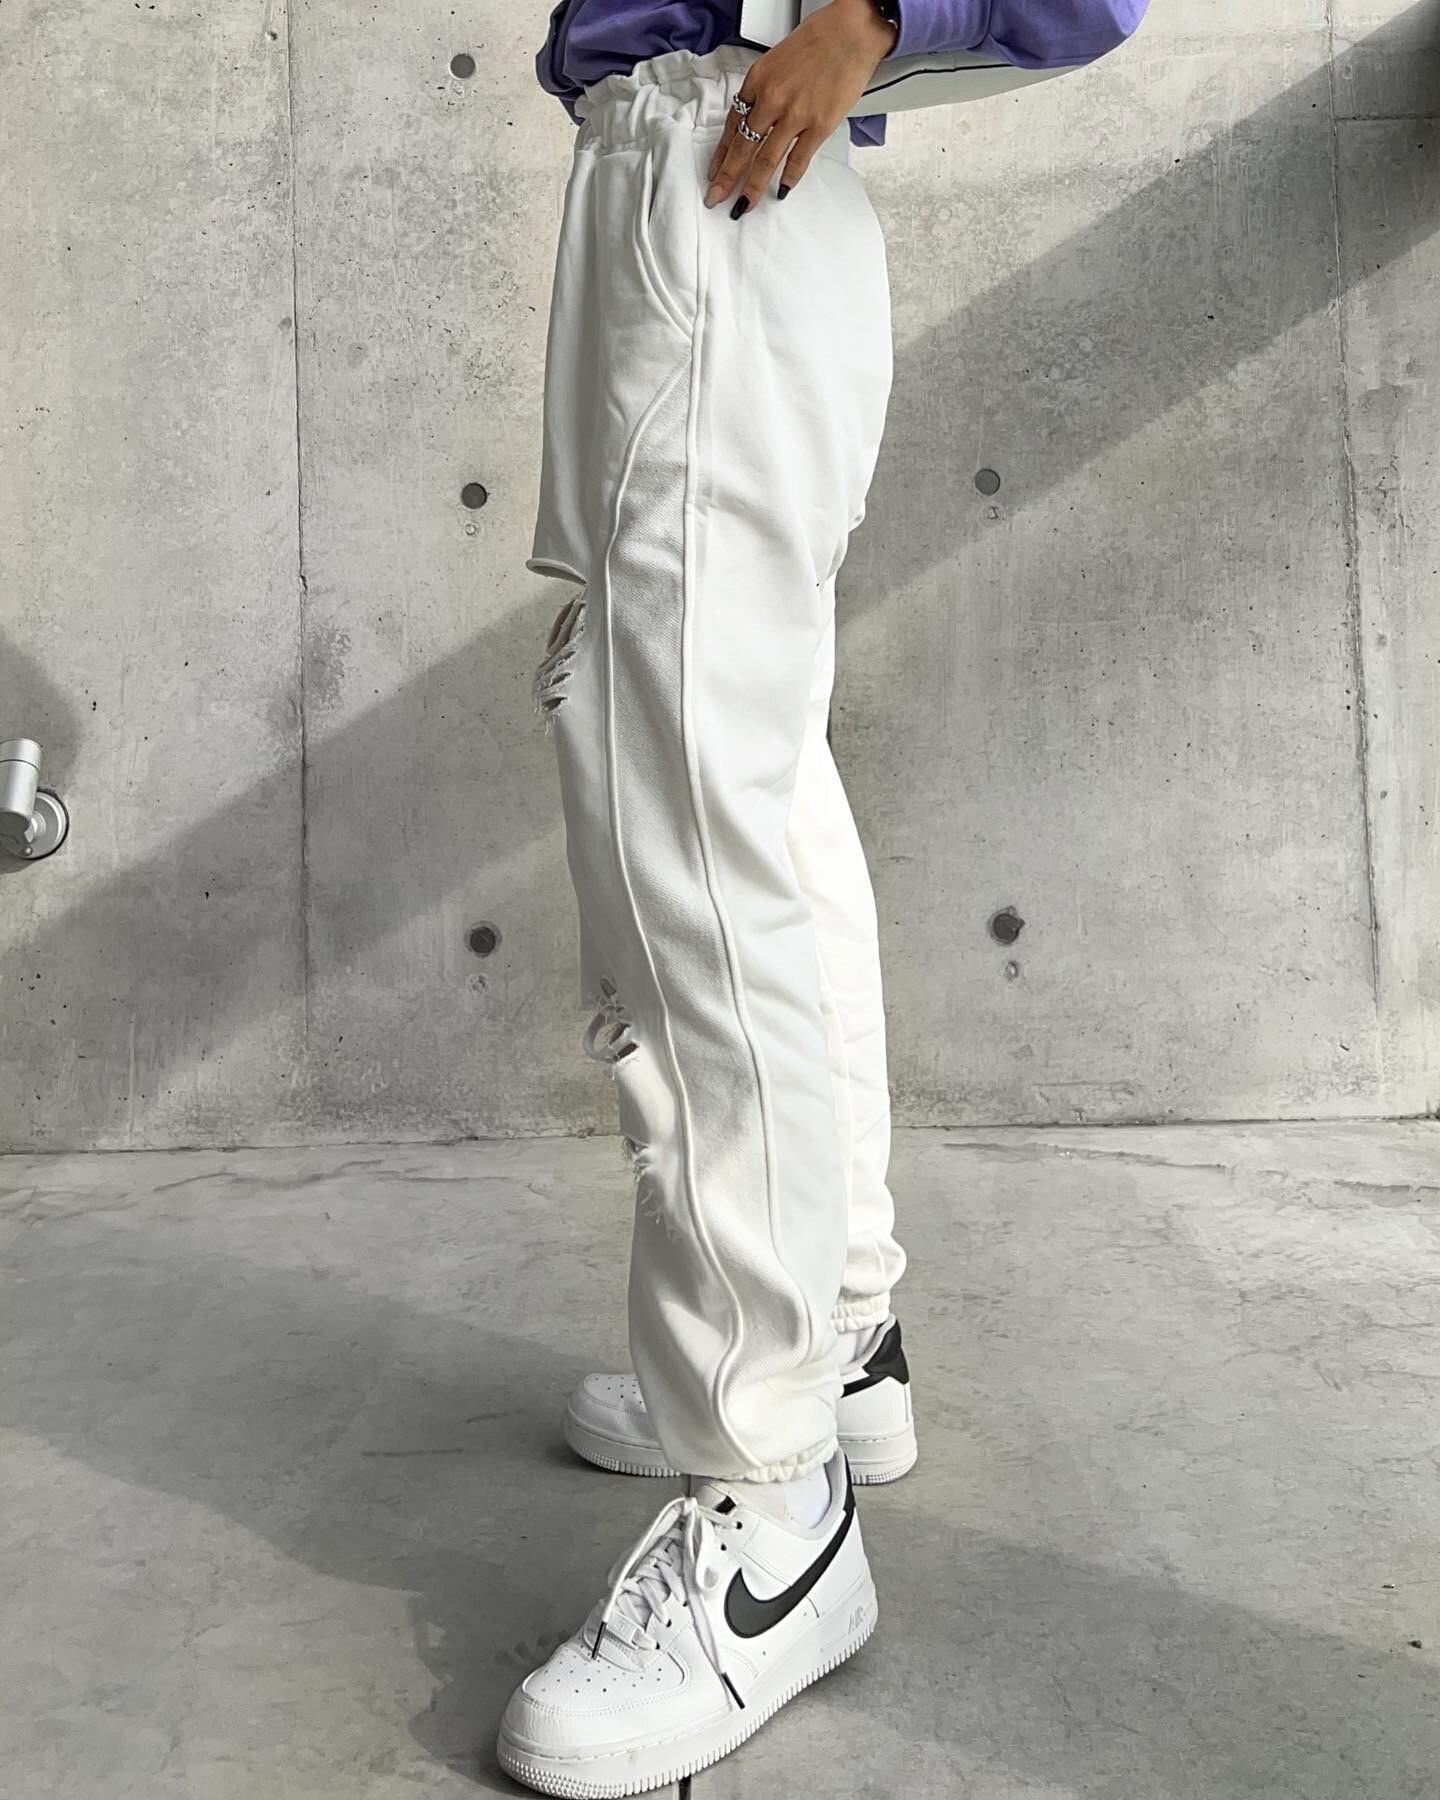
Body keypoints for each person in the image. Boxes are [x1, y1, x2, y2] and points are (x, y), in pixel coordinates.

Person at [501, 3, 1145, 1792]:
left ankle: (771, 1499)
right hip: (685, 193)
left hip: (722, 184)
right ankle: (839, 1334)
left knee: (697, 857)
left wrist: (862, 19)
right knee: (750, 806)